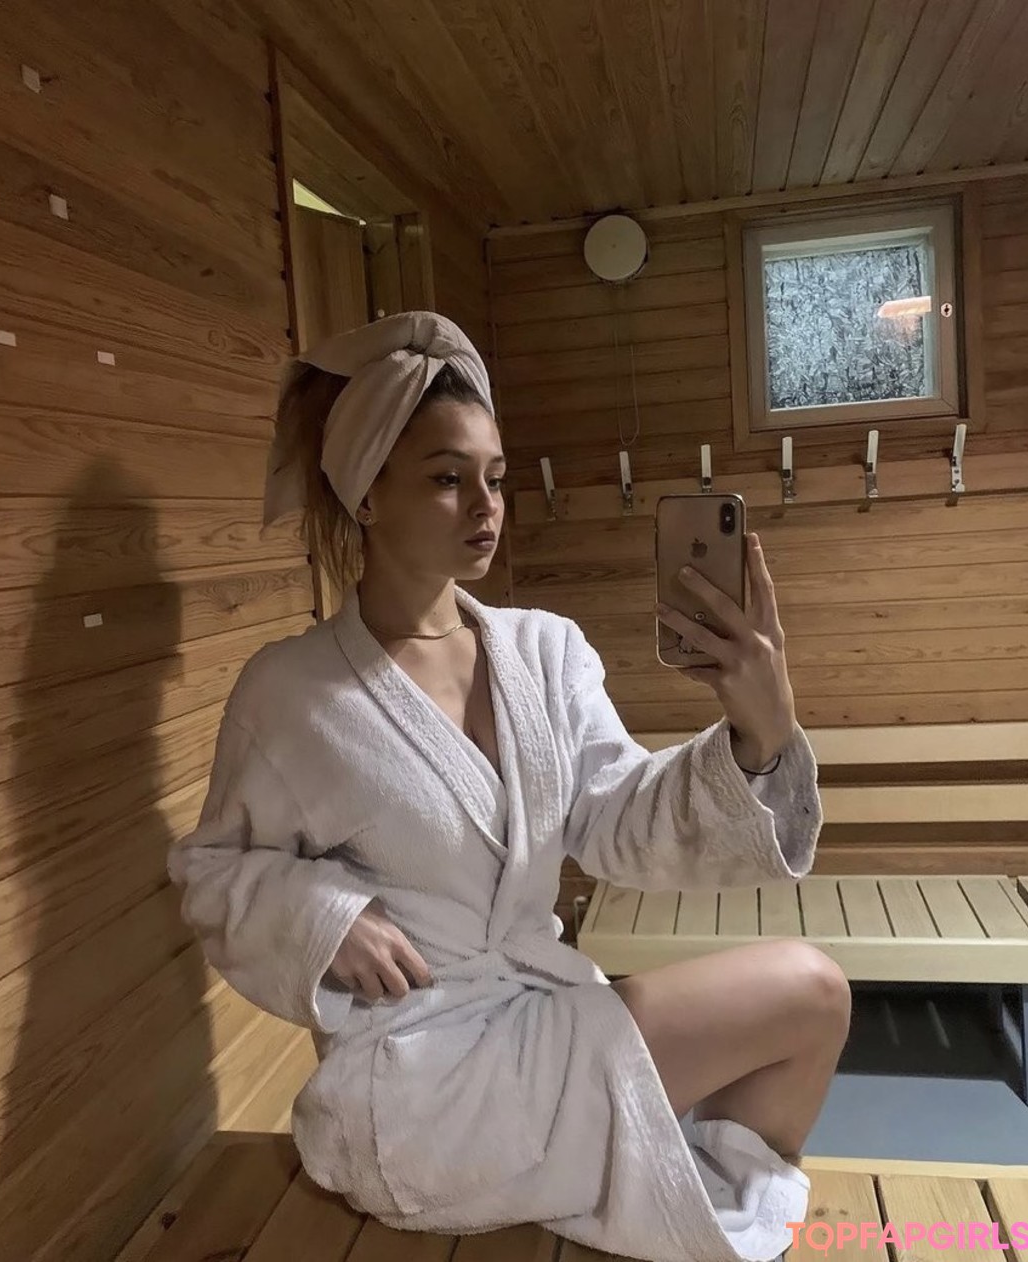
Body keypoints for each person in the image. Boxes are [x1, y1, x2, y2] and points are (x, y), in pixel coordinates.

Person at [166, 311, 850, 1262]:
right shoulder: (292, 691)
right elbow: (212, 871)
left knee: (813, 1003)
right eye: (447, 479)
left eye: (494, 477)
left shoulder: (544, 651)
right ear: (368, 494)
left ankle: (696, 1210)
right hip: (416, 1071)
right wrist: (324, 917)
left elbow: (618, 818)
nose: (485, 506)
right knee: (808, 990)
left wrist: (758, 737)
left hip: (535, 1016)